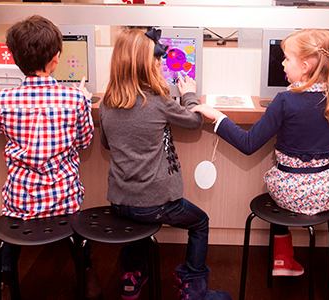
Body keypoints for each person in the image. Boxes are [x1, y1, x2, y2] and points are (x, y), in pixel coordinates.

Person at [192, 29, 329, 300]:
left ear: (304, 67)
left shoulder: (284, 100)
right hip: (326, 190)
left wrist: (218, 117)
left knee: (275, 182)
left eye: (286, 59)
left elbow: (248, 144)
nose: (282, 63)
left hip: (288, 193)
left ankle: (282, 259)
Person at [99, 28, 232, 300]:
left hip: (120, 200)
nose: (160, 64)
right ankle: (194, 289)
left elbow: (106, 143)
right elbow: (195, 122)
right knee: (200, 223)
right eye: (157, 61)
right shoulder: (158, 102)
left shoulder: (106, 102)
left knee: (135, 221)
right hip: (156, 204)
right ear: (147, 66)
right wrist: (189, 94)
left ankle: (131, 277)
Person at [0, 15, 99, 299]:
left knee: (9, 232)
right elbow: (84, 141)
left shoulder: (2, 101)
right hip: (63, 200)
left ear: (15, 59)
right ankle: (88, 272)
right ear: (56, 58)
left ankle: (7, 281)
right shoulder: (76, 98)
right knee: (75, 227)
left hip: (20, 202)